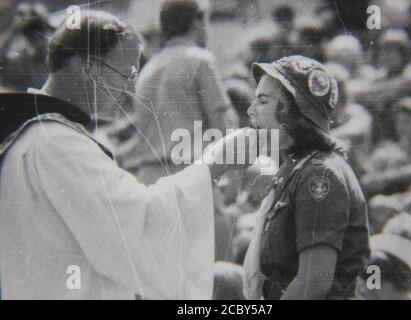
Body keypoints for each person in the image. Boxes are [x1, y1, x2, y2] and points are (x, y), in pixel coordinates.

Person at [0, 10, 254, 300]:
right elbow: (134, 223)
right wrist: (214, 165)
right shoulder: (57, 143)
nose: (130, 90)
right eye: (126, 74)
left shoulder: (38, 134)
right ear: (89, 67)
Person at [243, 55, 370, 300]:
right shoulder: (297, 167)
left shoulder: (320, 175)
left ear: (290, 111)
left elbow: (313, 283)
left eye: (263, 101)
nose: (251, 111)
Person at [120, 0, 237, 185]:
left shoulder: (148, 69)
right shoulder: (200, 60)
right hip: (190, 174)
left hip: (150, 178)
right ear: (196, 22)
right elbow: (222, 128)